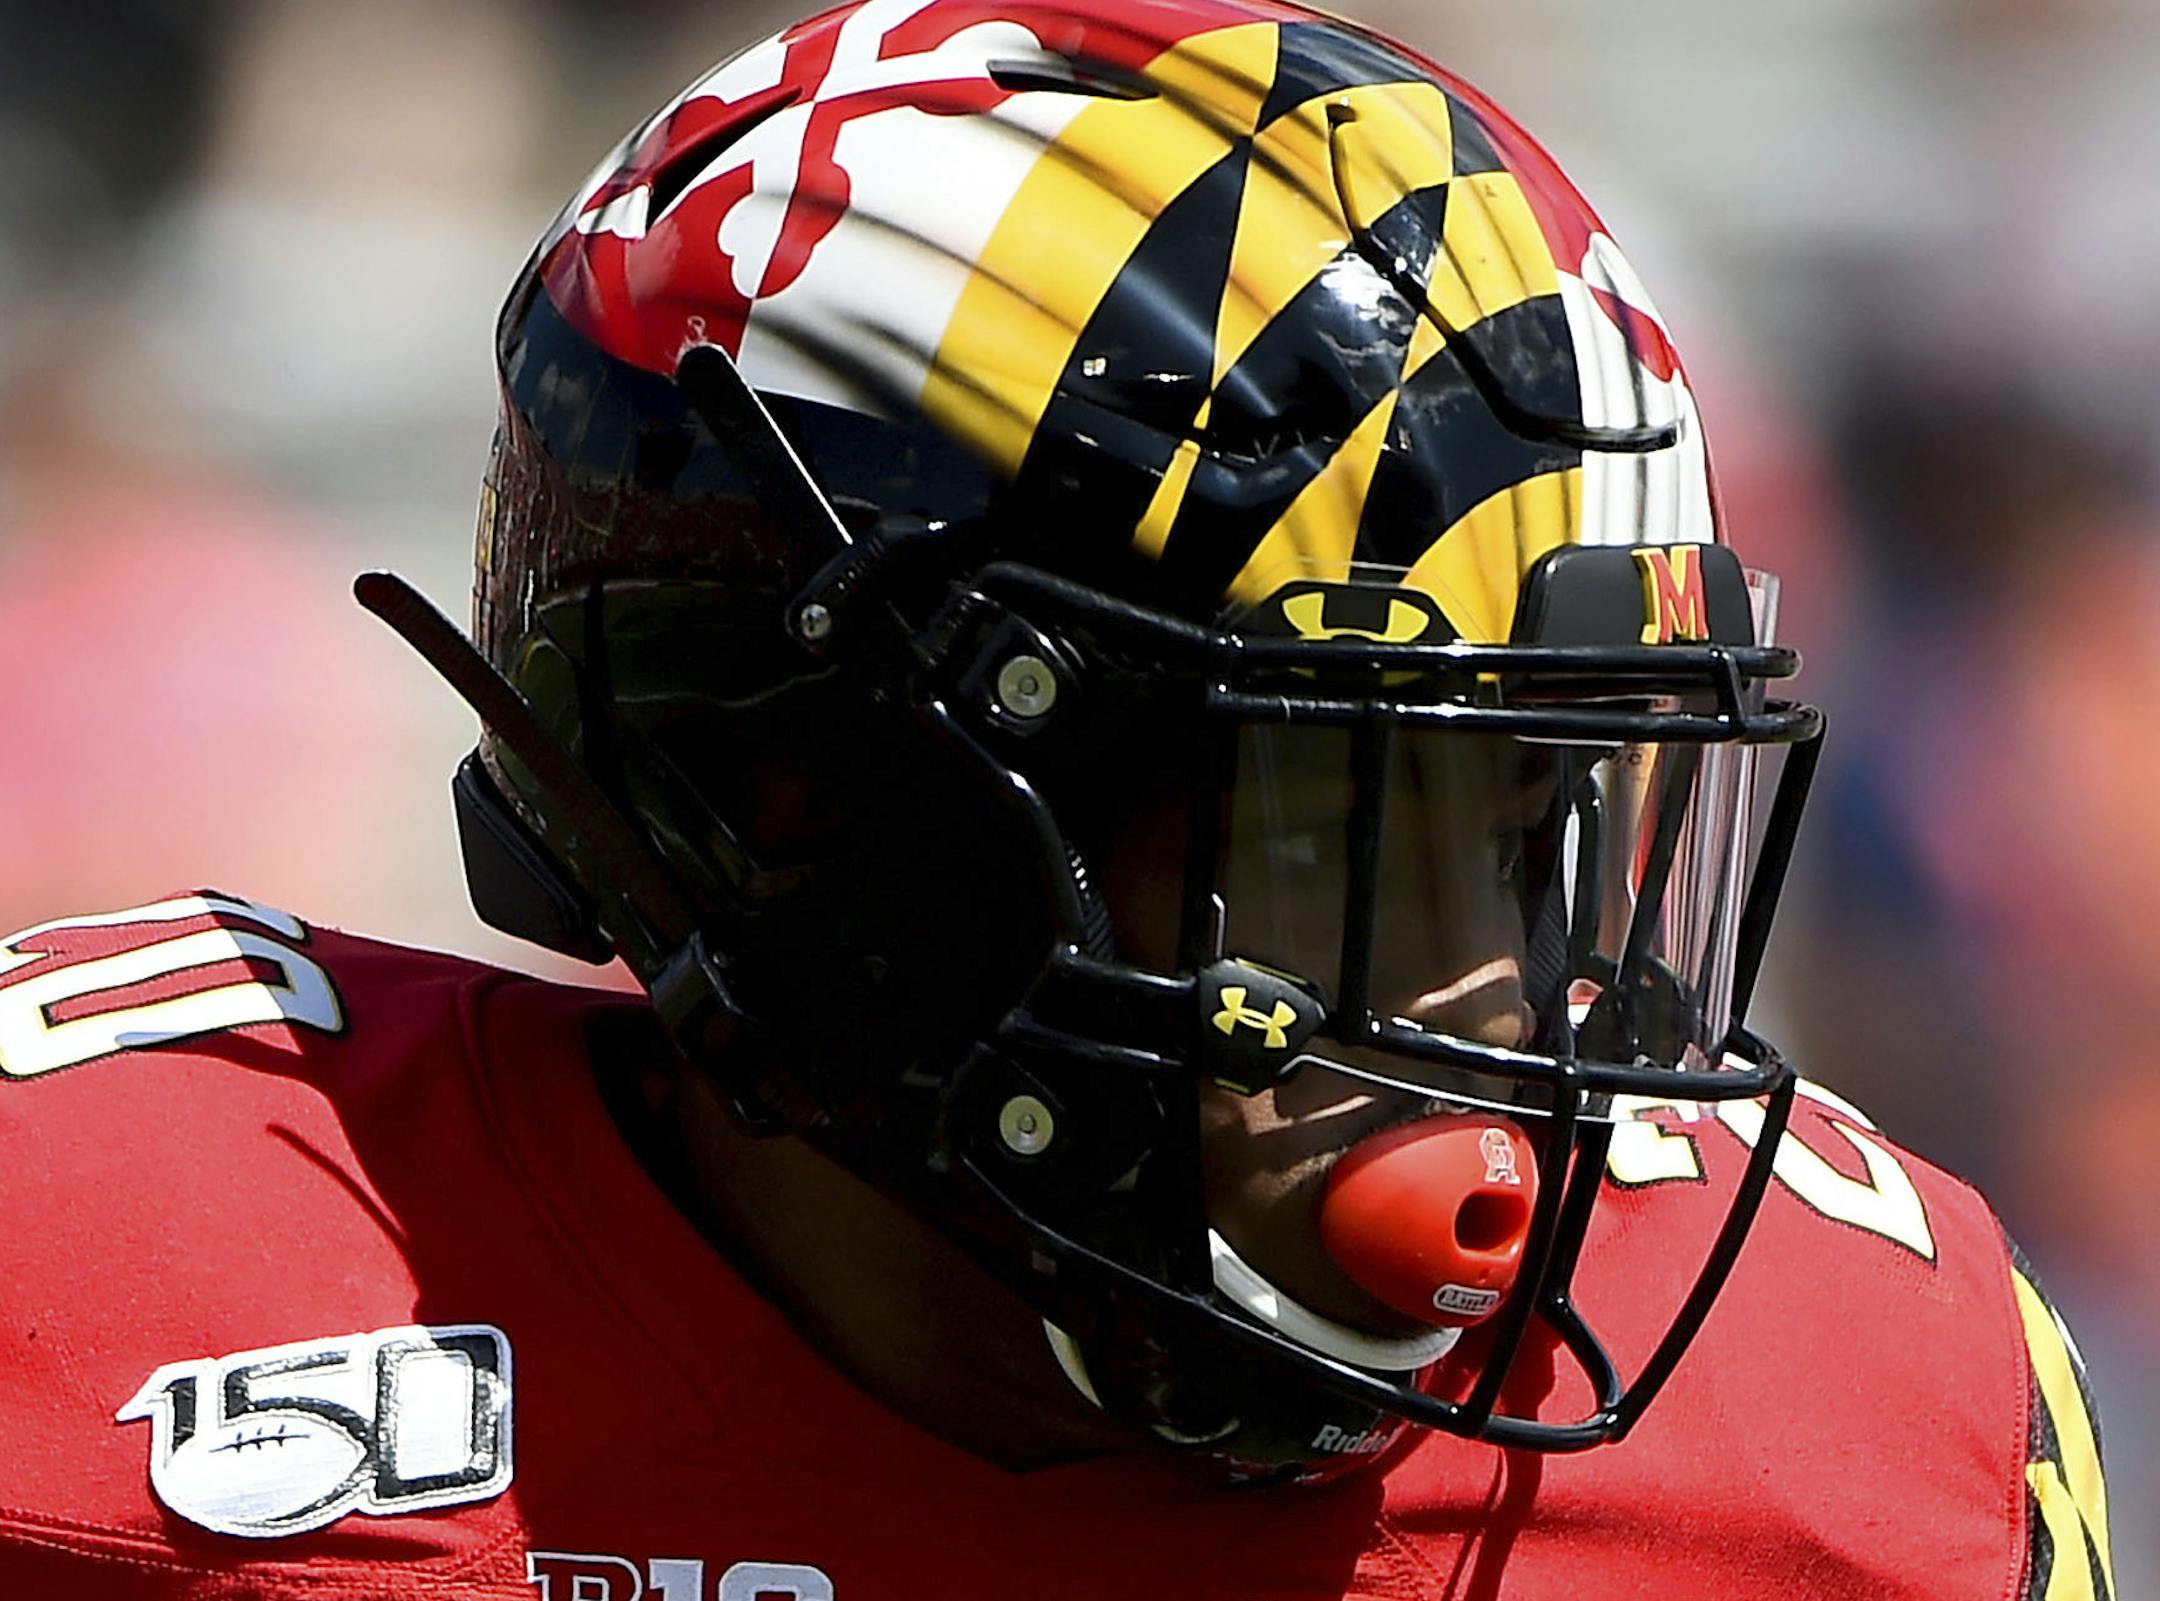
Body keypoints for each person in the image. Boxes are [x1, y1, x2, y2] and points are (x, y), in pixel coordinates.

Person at [0, 2, 2113, 1596]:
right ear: (817, 807)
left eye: (1545, 828)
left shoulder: (1862, 1422)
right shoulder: (98, 1275)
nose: (1509, 1012)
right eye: (1341, 836)